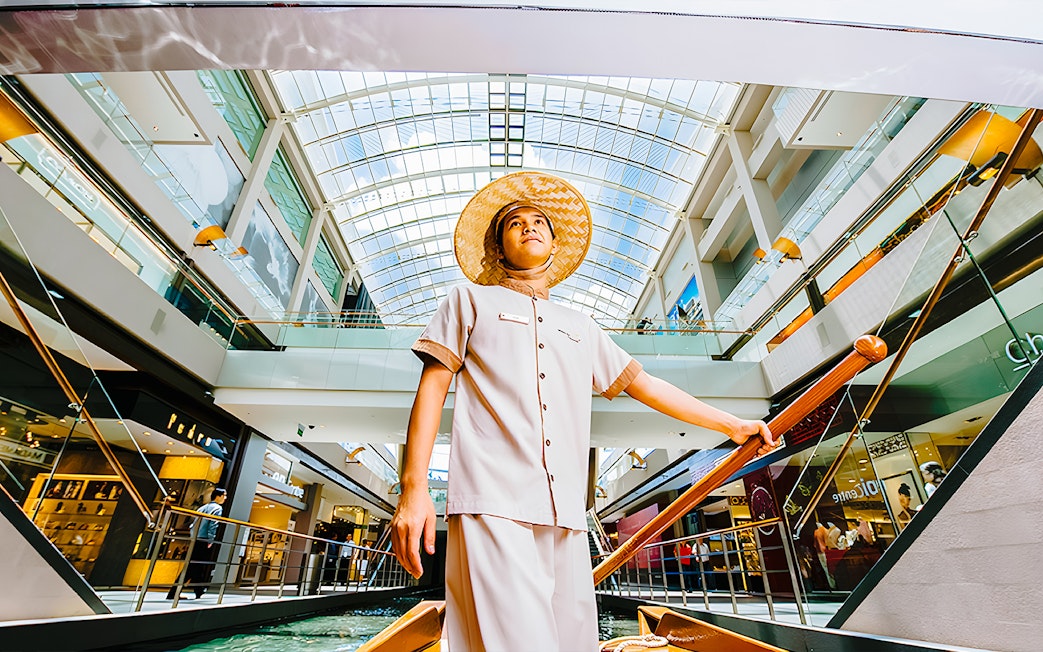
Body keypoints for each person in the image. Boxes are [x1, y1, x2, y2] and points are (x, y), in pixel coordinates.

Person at [390, 171, 777, 652]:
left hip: (567, 514)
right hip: (491, 502)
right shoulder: (468, 301)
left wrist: (732, 425)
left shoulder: (582, 325)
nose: (528, 226)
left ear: (553, 244)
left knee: (572, 643)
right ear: (497, 247)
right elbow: (432, 388)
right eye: (514, 222)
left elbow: (646, 385)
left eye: (538, 221)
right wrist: (414, 490)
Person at [167, 487, 226, 599]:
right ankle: (175, 592)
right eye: (224, 495)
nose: (225, 498)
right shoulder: (217, 508)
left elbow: (192, 525)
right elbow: (213, 524)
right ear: (218, 496)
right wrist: (211, 539)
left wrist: (193, 537)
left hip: (196, 539)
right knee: (194, 566)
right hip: (204, 540)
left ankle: (196, 591)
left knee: (195, 566)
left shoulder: (202, 508)